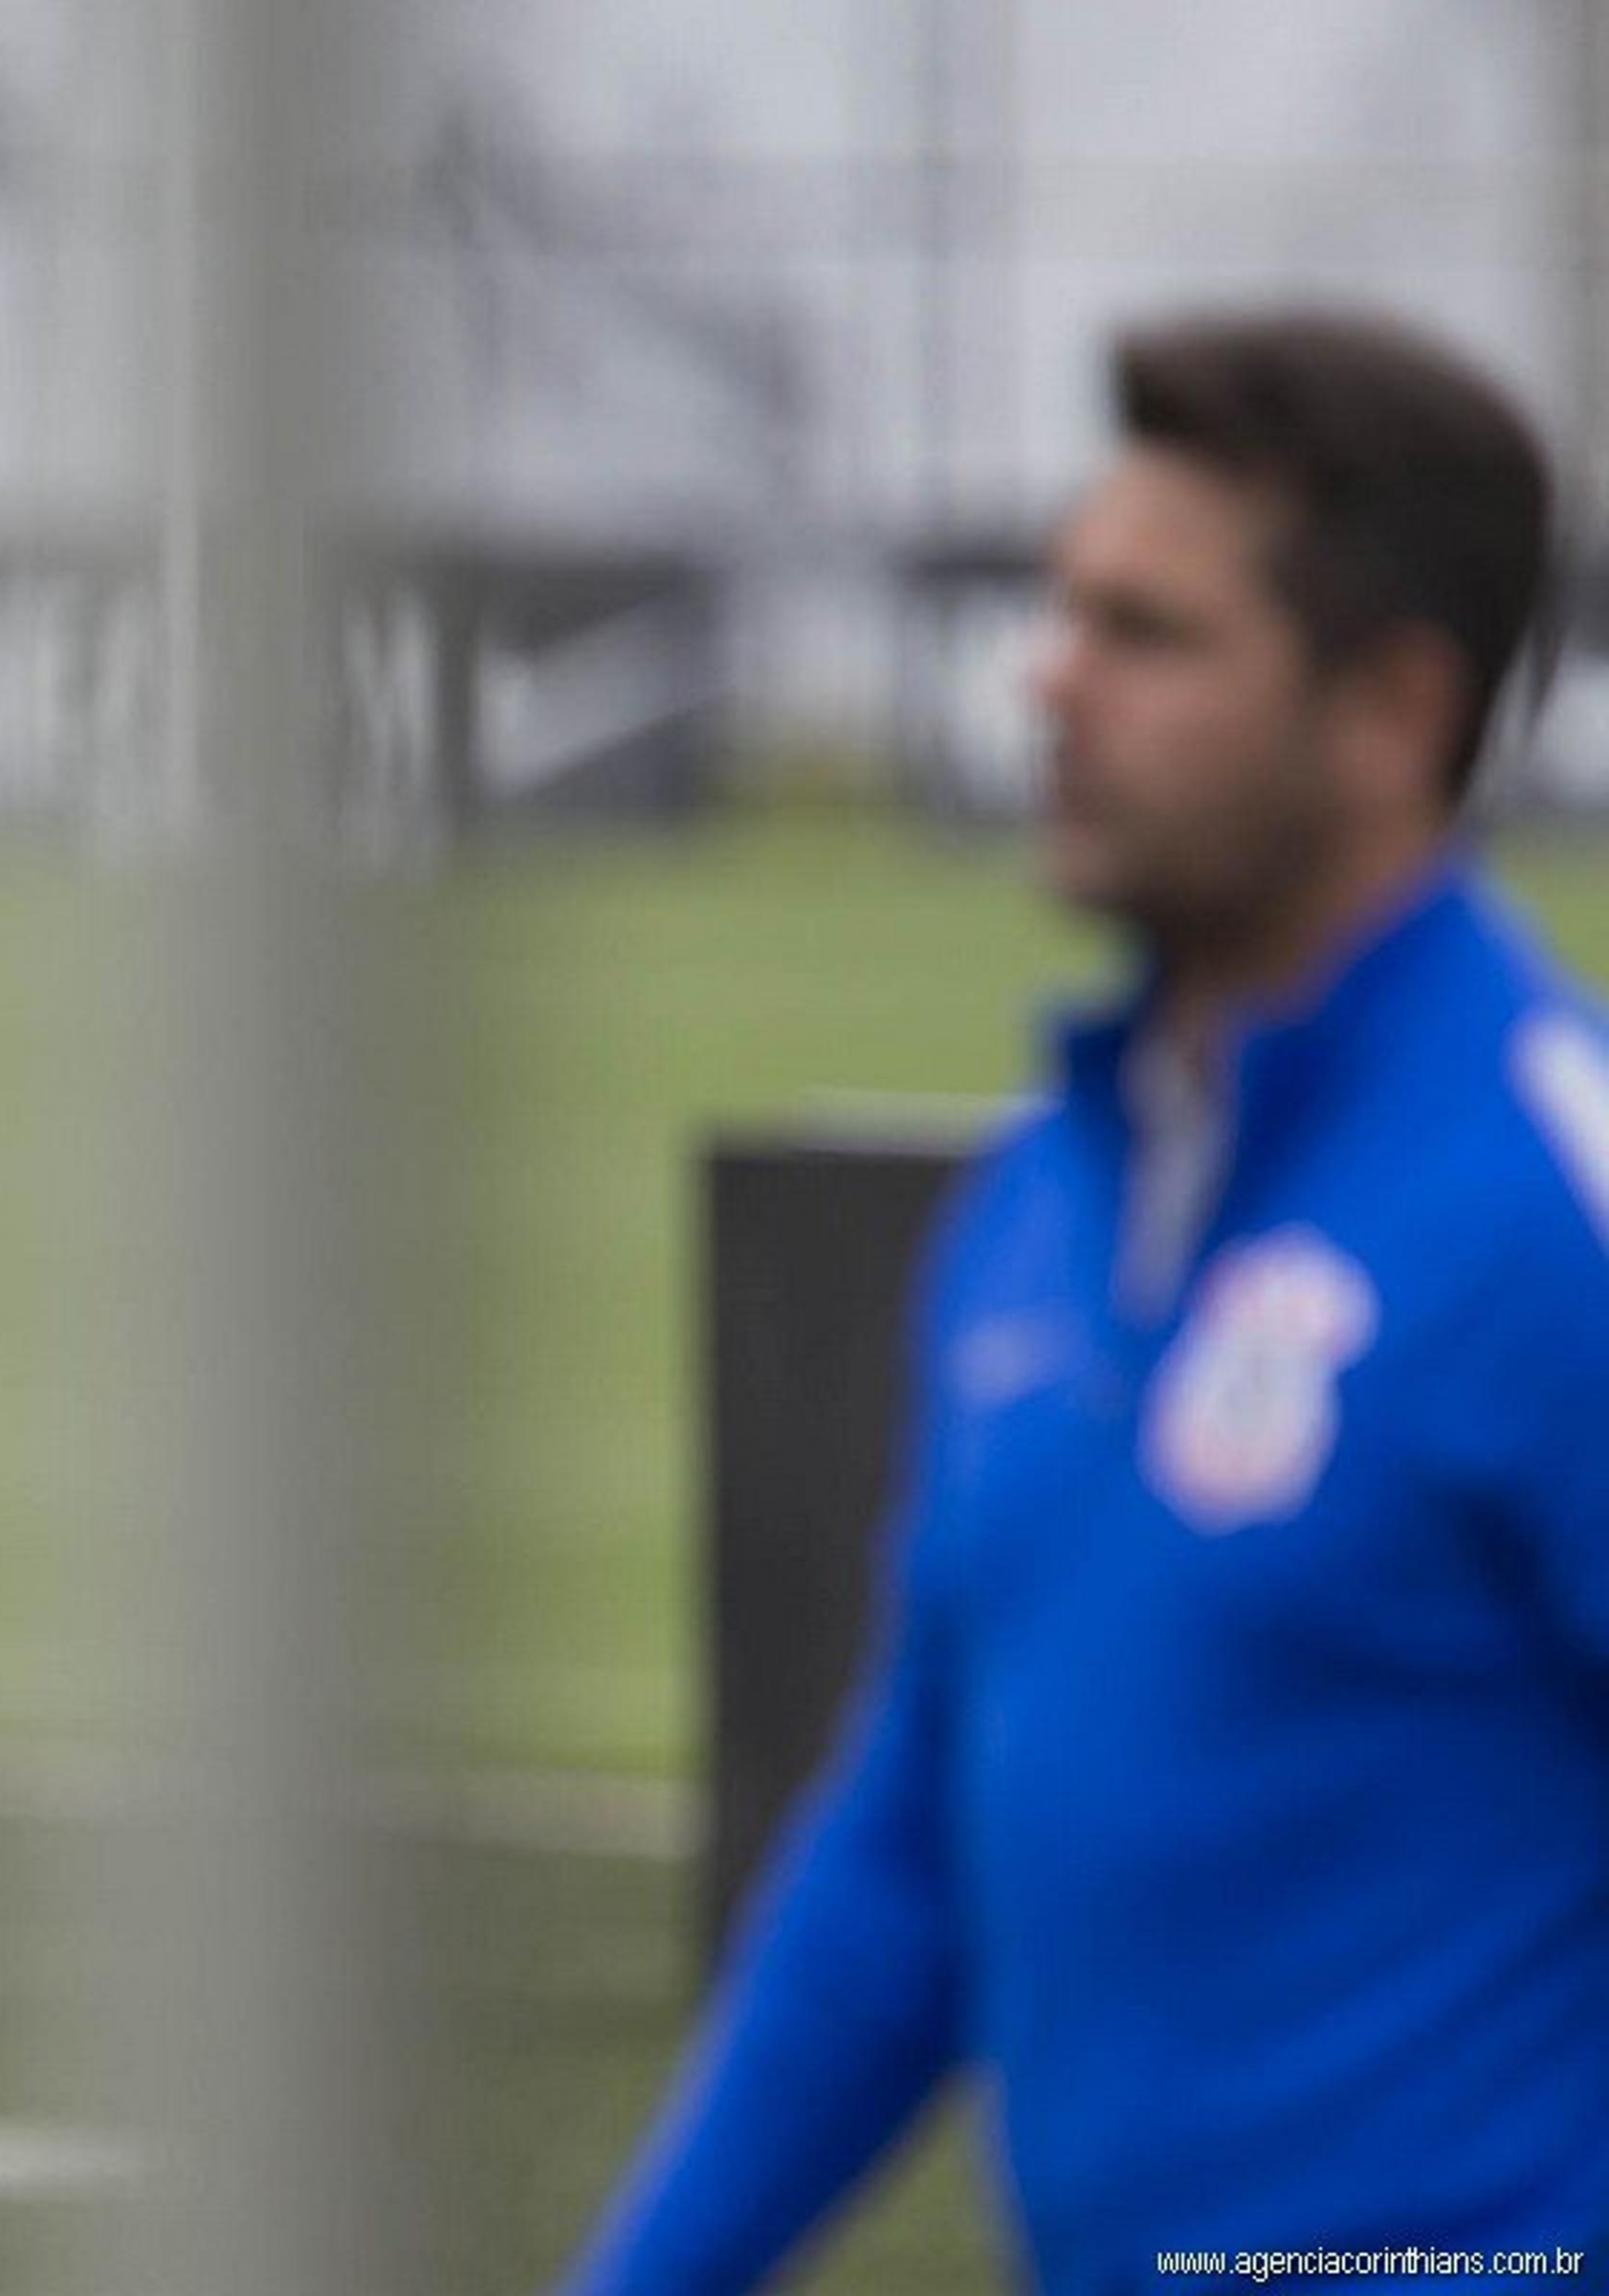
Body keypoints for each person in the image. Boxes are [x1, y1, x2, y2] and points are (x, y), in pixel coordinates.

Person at [569, 312, 1609, 2290]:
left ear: (1391, 709)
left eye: (1149, 635)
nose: (1052, 681)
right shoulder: (1046, 1211)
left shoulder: (1552, 1214)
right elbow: (908, 1862)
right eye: (1062, 611)